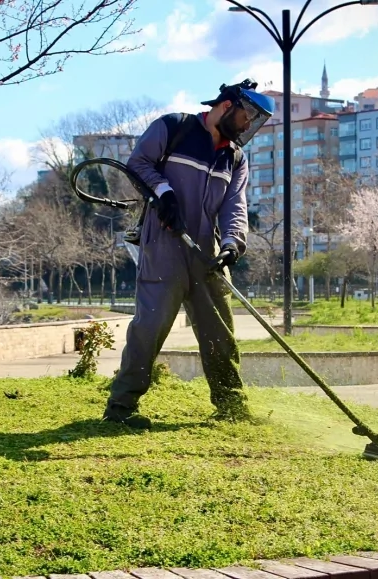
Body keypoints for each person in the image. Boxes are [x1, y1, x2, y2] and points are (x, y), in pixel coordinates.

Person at [102, 80, 275, 429]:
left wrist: (232, 243)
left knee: (220, 330)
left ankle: (231, 406)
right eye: (247, 117)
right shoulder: (173, 127)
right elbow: (139, 164)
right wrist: (164, 194)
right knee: (150, 327)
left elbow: (234, 205)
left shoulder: (235, 158)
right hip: (163, 242)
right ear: (227, 106)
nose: (247, 126)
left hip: (206, 250)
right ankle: (120, 409)